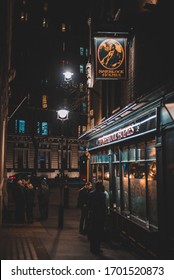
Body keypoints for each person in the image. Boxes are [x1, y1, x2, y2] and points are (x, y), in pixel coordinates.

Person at [87, 181, 106, 255]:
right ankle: (97, 248)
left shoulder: (91, 194)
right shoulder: (103, 195)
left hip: (93, 215)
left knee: (93, 232)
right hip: (100, 216)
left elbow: (89, 204)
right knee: (98, 232)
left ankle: (92, 247)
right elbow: (103, 206)